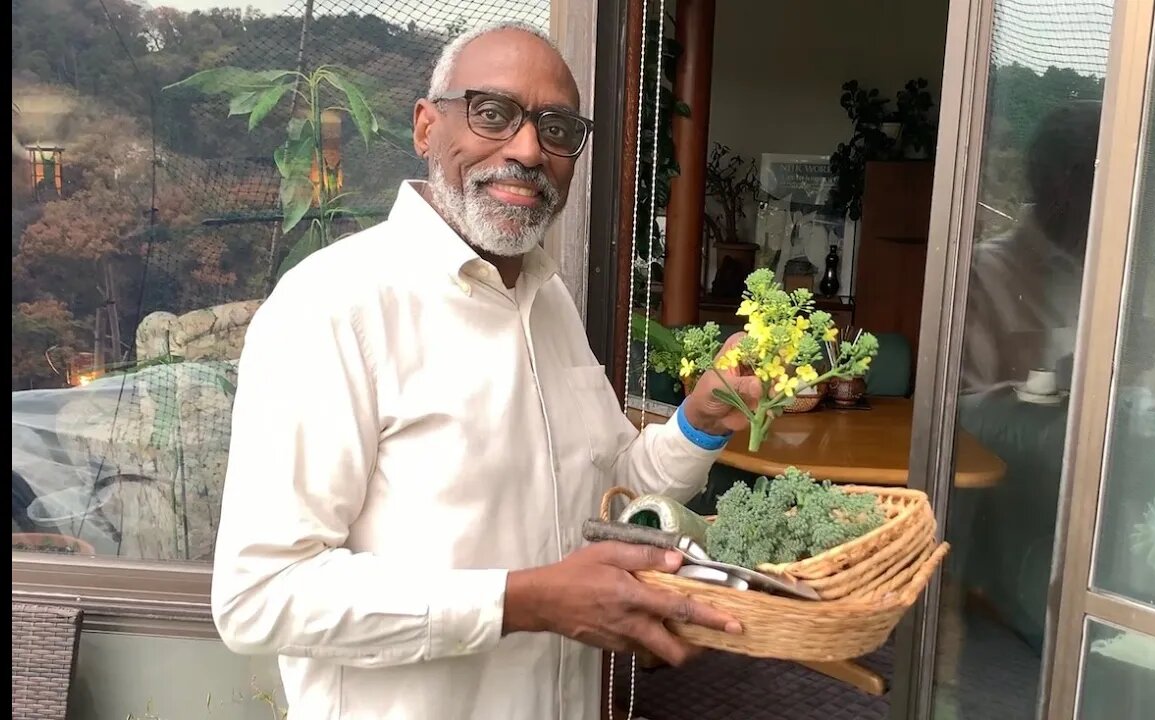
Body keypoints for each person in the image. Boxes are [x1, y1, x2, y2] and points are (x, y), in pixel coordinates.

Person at [211, 21, 761, 720]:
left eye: (557, 128)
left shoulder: (546, 297)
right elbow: (260, 596)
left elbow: (611, 495)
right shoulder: (334, 307)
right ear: (424, 126)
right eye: (492, 113)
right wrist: (523, 602)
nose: (528, 148)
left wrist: (700, 421)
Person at [960, 100, 1103, 394]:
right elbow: (963, 410)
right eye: (1096, 179)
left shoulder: (1112, 278)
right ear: (1061, 183)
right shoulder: (982, 275)